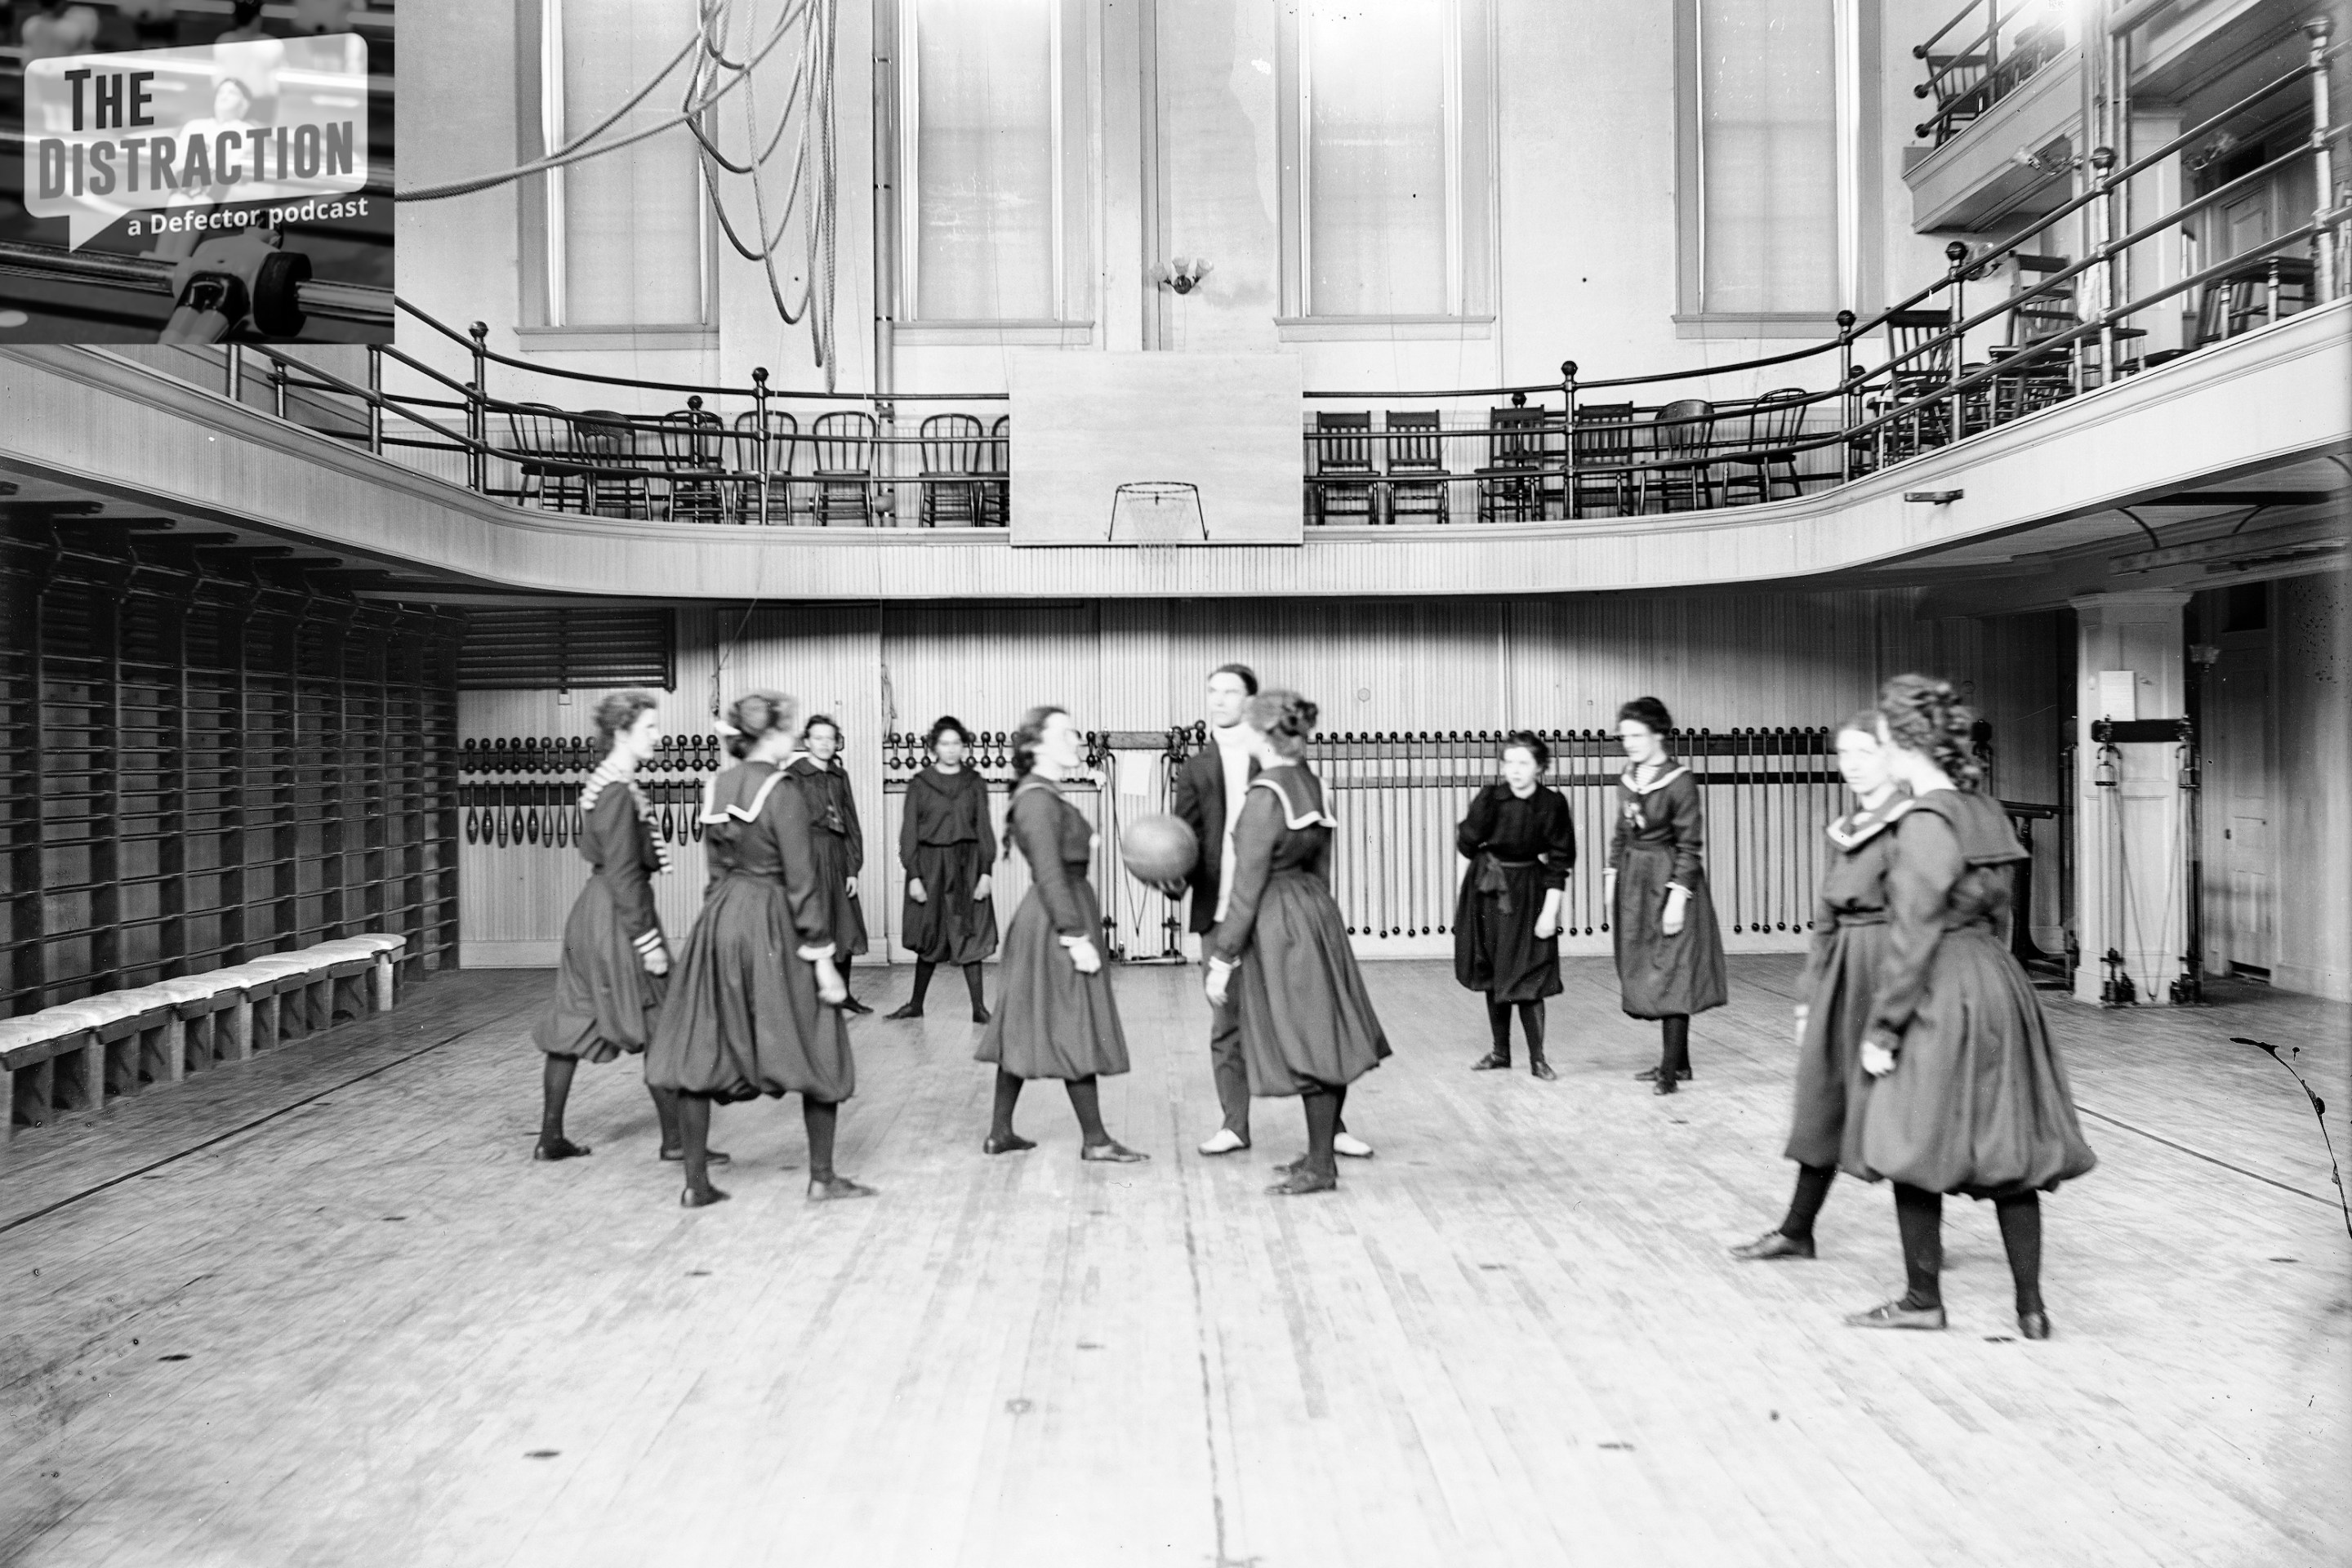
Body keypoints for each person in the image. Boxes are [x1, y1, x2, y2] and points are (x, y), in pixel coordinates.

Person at [1841, 675, 2096, 1339]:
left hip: (1941, 987)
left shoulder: (1925, 821)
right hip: (1998, 985)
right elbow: (2002, 911)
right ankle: (2031, 1309)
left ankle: (1923, 1298)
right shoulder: (1982, 808)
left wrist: (1884, 1028)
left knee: (1908, 1138)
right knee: (2007, 1146)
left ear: (1902, 743)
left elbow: (1915, 932)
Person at [647, 691, 874, 1207]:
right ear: (770, 735)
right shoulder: (783, 790)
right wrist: (823, 960)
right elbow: (801, 883)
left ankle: (696, 1184)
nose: (794, 736)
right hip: (774, 921)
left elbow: (716, 872)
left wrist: (717, 924)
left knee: (701, 1045)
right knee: (821, 1038)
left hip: (721, 920)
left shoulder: (718, 786)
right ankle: (822, 1177)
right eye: (788, 728)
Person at [1171, 663, 1373, 1159]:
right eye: (1212, 691)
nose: (1220, 702)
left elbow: (1265, 871)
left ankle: (1326, 1142)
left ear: (1255, 714)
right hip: (1265, 915)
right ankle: (1243, 1126)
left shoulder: (1276, 781)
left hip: (1270, 916)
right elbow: (1186, 840)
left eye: (1230, 693)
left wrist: (1229, 953)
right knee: (1254, 1025)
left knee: (1304, 1024)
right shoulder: (1209, 768)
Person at [1203, 692, 1390, 1196]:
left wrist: (1222, 958)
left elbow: (1246, 889)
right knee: (1321, 1031)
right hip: (1315, 913)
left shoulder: (1265, 794)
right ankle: (1319, 1153)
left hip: (1278, 921)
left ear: (1262, 736)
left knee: (1305, 1038)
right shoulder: (1312, 784)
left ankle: (1321, 1169)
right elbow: (1322, 870)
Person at [1731, 711, 1902, 1260]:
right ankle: (1796, 1229)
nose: (1850, 766)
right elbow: (1826, 917)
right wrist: (1809, 993)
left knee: (1903, 1107)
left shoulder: (1912, 824)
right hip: (1843, 977)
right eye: (1843, 754)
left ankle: (1926, 1245)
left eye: (1863, 753)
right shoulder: (1845, 828)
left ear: (1890, 756)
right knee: (1823, 1099)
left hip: (1893, 973)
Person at [529, 690, 718, 1166]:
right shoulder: (615, 789)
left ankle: (550, 1137)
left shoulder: (608, 781)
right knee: (662, 1022)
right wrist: (649, 940)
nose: (658, 735)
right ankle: (676, 1141)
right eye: (650, 728)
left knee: (572, 1021)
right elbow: (624, 873)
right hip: (617, 916)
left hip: (591, 915)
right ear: (622, 733)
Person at [976, 706, 1146, 1162]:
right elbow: (1049, 873)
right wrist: (1075, 936)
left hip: (1060, 913)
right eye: (1066, 733)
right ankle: (1096, 1141)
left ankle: (1000, 1133)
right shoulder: (1035, 800)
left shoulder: (1044, 796)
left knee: (1023, 1025)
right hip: (1056, 921)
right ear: (1035, 746)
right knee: (1074, 1023)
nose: (1076, 739)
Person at [1606, 696, 1727, 1095]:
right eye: (1624, 736)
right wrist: (1612, 877)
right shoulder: (1629, 778)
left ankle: (1669, 1072)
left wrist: (1679, 897)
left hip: (1669, 880)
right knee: (1649, 967)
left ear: (1659, 734)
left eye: (1637, 735)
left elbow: (1691, 846)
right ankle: (1680, 1062)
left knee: (1672, 970)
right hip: (1636, 883)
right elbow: (1622, 833)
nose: (1630, 743)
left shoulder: (1680, 781)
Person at [1455, 731, 1575, 1080]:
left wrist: (1550, 912)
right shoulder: (1490, 798)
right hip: (1487, 890)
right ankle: (1500, 1053)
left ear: (1539, 767)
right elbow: (1466, 845)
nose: (1515, 770)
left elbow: (1560, 861)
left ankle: (1538, 1059)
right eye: (1509, 762)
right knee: (1493, 971)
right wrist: (1463, 900)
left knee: (1529, 971)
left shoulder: (1552, 804)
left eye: (1524, 763)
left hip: (1529, 893)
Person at [886, 716, 997, 1022]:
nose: (951, 750)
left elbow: (984, 828)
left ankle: (979, 1009)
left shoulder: (974, 783)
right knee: (930, 934)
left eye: (956, 743)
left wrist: (986, 871)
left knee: (968, 933)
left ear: (964, 745)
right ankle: (915, 1005)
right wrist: (914, 875)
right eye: (944, 743)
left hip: (968, 864)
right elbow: (908, 833)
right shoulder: (920, 784)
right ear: (934, 746)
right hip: (930, 866)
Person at [788, 715, 872, 1013]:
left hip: (837, 855)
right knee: (814, 922)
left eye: (830, 738)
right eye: (818, 738)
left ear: (837, 742)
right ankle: (810, 999)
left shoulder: (840, 776)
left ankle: (844, 994)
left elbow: (851, 822)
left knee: (843, 923)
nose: (824, 744)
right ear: (806, 741)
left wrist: (853, 868)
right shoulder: (794, 775)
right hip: (808, 855)